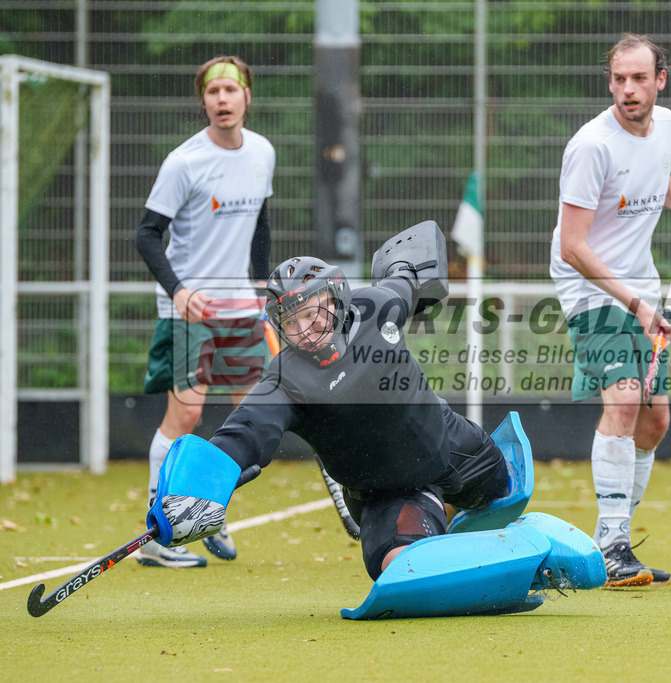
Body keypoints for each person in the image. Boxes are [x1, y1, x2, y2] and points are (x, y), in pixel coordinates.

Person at [144, 227, 607, 619]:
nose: (307, 327)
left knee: (507, 489)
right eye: (293, 320)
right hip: (387, 490)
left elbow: (407, 276)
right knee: (401, 566)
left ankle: (455, 522)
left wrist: (409, 268)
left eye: (314, 309)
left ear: (337, 297)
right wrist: (195, 489)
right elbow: (241, 437)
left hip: (451, 445)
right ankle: (503, 548)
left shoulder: (377, 306)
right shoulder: (283, 382)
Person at [549, 33, 671, 587]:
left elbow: (655, 175)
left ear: (660, 80)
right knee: (622, 401)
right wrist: (636, 303)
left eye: (639, 78)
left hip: (641, 285)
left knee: (655, 419)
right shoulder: (591, 146)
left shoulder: (664, 125)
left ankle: (613, 538)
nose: (628, 90)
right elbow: (572, 245)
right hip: (592, 290)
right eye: (619, 79)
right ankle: (613, 543)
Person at [134, 56, 275, 568]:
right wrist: (176, 291)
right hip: (190, 308)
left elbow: (260, 221)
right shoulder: (183, 163)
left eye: (230, 90)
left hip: (241, 305)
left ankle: (206, 510)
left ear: (246, 97)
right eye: (212, 91)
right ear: (203, 101)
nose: (222, 99)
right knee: (188, 413)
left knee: (252, 416)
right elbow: (145, 234)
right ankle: (154, 533)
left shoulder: (262, 151)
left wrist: (261, 287)